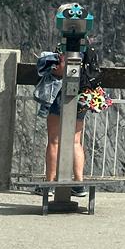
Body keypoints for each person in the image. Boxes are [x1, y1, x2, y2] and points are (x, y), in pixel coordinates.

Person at [33, 49, 88, 197]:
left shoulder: (69, 47)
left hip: (62, 94)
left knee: (54, 141)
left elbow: (61, 69)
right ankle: (78, 183)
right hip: (83, 96)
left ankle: (50, 184)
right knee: (76, 142)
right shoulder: (87, 50)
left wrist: (55, 64)